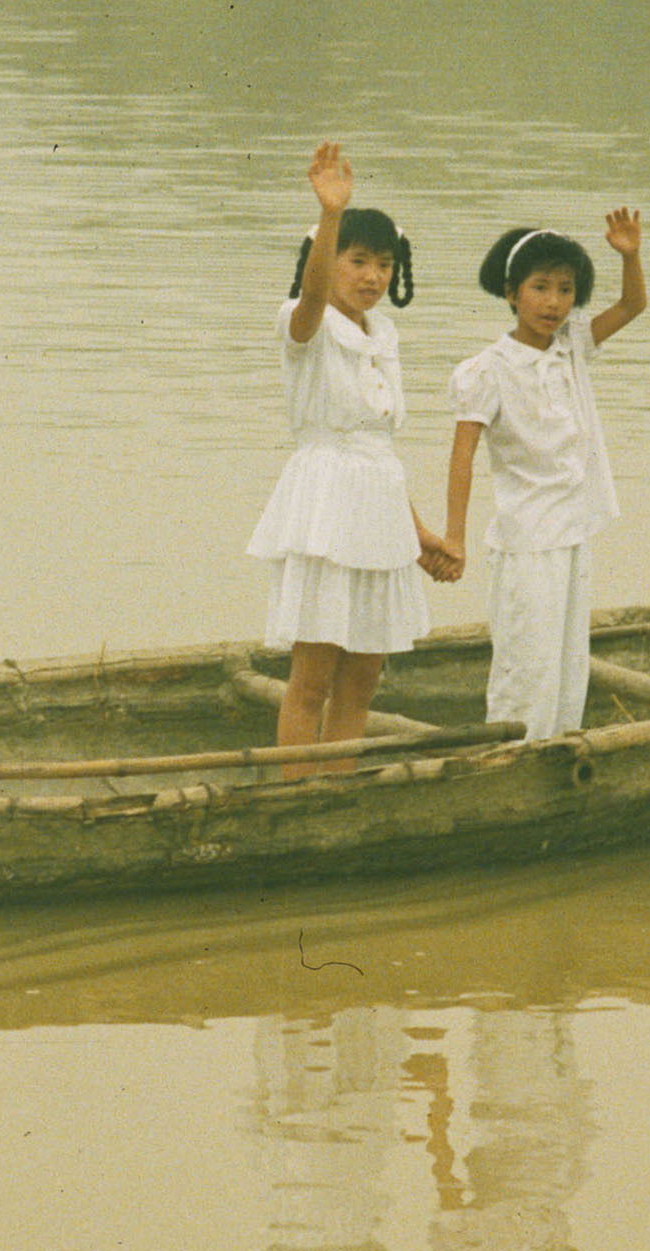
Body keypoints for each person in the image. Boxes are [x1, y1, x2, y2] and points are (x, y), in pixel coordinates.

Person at [244, 143, 455, 776]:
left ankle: (337, 789)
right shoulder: (300, 324)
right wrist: (330, 214)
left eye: (383, 265)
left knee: (363, 675)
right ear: (326, 260)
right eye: (357, 261)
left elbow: (376, 449)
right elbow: (311, 303)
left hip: (377, 510)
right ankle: (294, 794)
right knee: (312, 675)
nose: (371, 276)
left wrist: (418, 534)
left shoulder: (382, 334)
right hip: (325, 510)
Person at [439, 209, 646, 739]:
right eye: (539, 287)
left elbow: (632, 304)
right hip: (528, 540)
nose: (553, 302)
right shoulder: (486, 370)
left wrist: (629, 255)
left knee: (568, 662)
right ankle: (511, 757)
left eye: (565, 289)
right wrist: (454, 538)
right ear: (511, 293)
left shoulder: (572, 346)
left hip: (573, 532)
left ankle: (555, 750)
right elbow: (461, 457)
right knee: (526, 663)